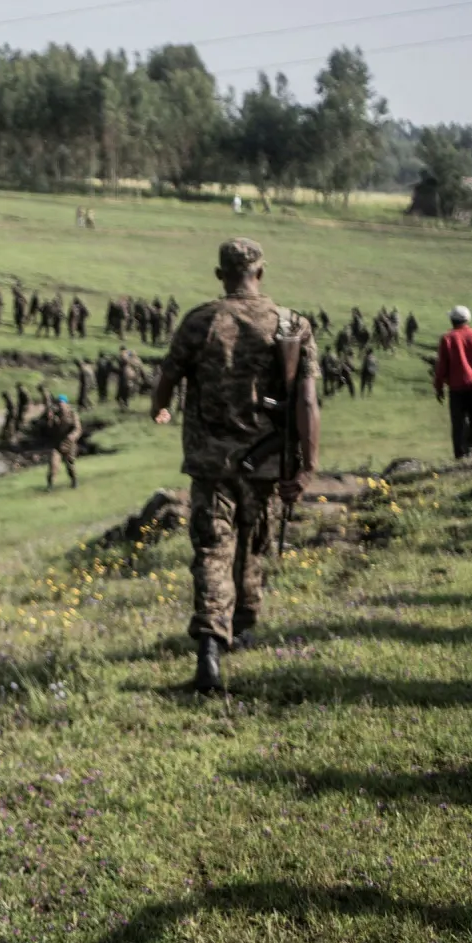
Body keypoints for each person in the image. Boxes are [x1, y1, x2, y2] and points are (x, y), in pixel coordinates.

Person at [149, 238, 318, 693]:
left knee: (212, 550)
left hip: (211, 463)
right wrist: (306, 468)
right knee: (252, 545)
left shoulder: (200, 321)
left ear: (220, 275)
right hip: (264, 461)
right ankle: (242, 626)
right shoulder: (291, 324)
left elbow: (167, 378)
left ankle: (210, 645)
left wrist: (159, 407)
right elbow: (306, 402)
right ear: (260, 273)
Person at [433, 305, 472, 458]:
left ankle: (460, 455)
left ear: (452, 320)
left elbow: (442, 366)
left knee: (458, 423)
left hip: (457, 388)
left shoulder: (447, 338)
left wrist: (439, 387)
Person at [40, 395, 80, 490]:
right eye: (58, 404)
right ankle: (50, 485)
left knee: (70, 465)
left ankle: (74, 481)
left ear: (66, 404)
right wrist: (50, 419)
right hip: (57, 444)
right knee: (53, 464)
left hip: (69, 444)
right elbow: (49, 429)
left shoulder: (72, 414)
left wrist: (72, 436)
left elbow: (77, 428)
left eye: (62, 403)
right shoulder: (55, 415)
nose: (60, 406)